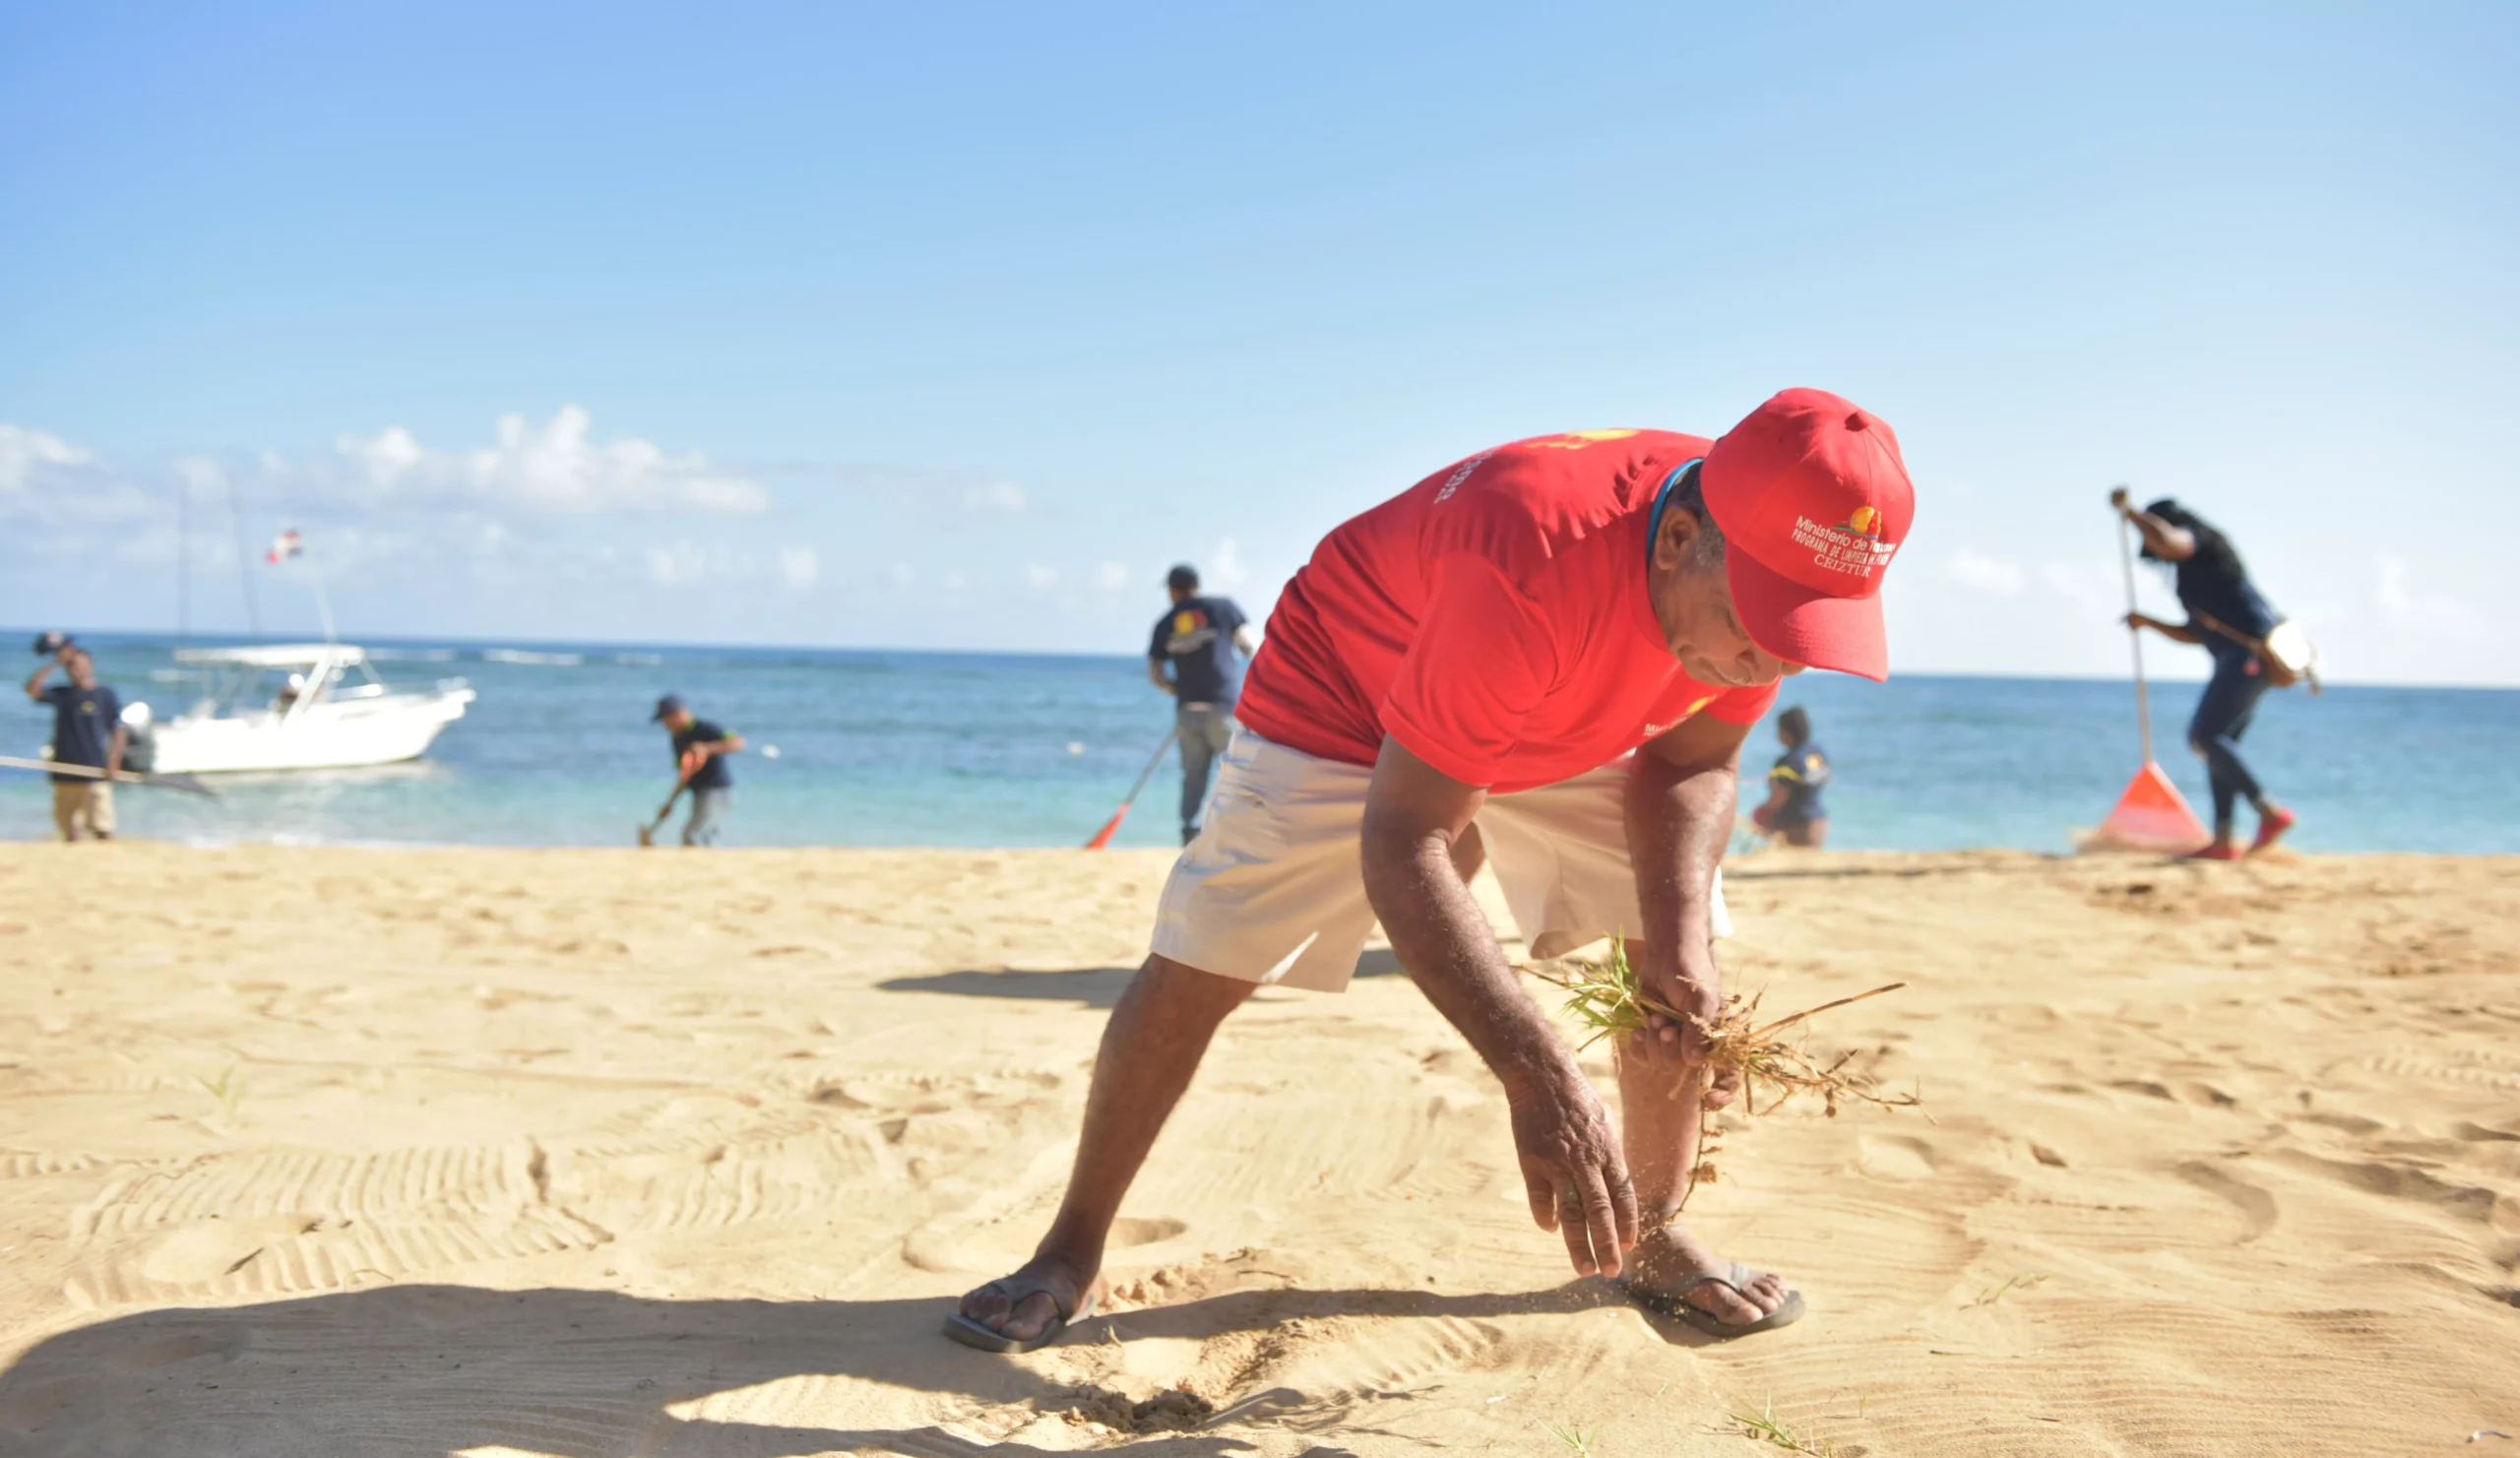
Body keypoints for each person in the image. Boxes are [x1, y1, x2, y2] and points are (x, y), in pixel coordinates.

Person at [949, 389, 1915, 1353]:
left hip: (1572, 703)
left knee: (1670, 946)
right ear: (1680, 541)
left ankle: (1651, 1240)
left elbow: (1691, 762)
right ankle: (1067, 1250)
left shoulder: (1770, 543)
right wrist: (1535, 1072)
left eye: (1802, 630)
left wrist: (1679, 939)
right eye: (1760, 625)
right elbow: (1405, 834)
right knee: (1207, 954)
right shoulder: (1533, 552)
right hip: (1352, 686)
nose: (1764, 664)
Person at [2113, 489, 2299, 859]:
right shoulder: (2190, 576)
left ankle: (2269, 812)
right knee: (2218, 747)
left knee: (2205, 736)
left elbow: (2170, 542)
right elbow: (2195, 633)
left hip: (2250, 653)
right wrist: (2147, 622)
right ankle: (2223, 840)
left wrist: (2129, 513)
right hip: (2242, 656)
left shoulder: (2202, 539)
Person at [1147, 564, 1258, 844]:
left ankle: (1190, 833)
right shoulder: (1223, 609)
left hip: (1188, 711)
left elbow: (1155, 675)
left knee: (1193, 775)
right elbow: (1252, 648)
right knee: (1237, 771)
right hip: (1223, 706)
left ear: (1173, 591)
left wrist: (1179, 690)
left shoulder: (1165, 623)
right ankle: (1237, 830)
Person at [23, 643, 126, 842]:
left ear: (90, 665)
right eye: (70, 666)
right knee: (69, 829)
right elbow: (31, 689)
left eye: (79, 665)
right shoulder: (62, 694)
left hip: (95, 770)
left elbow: (119, 729)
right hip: (64, 769)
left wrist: (115, 760)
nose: (75, 670)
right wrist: (55, 662)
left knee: (103, 827)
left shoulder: (105, 694)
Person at [651, 695, 743, 847]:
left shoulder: (705, 728)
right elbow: (685, 774)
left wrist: (707, 748)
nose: (664, 725)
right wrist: (670, 803)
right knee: (704, 834)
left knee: (695, 834)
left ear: (678, 714)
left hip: (717, 790)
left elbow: (738, 743)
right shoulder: (677, 739)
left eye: (665, 719)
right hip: (699, 792)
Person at [1751, 706, 1830, 848]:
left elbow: (1779, 796)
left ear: (1787, 732)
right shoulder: (1817, 754)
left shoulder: (1788, 760)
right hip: (1819, 821)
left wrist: (1760, 814)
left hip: (1794, 825)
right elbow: (1826, 778)